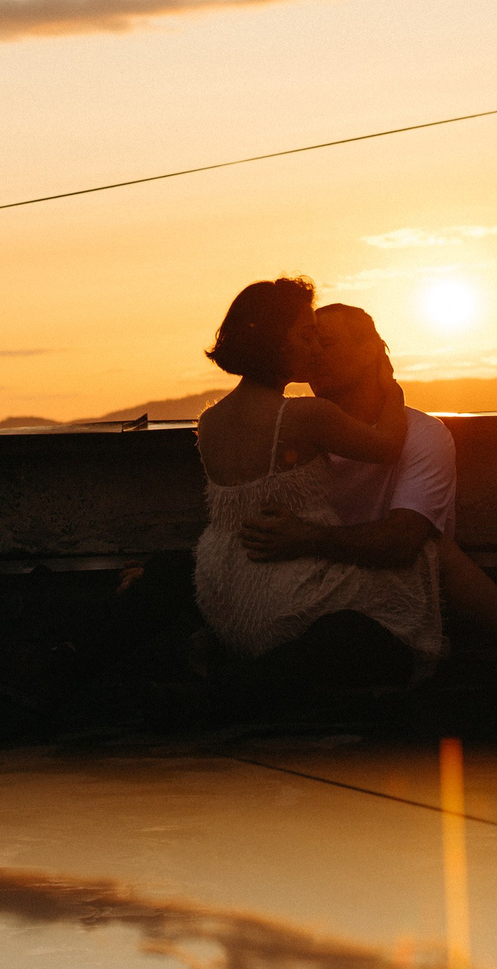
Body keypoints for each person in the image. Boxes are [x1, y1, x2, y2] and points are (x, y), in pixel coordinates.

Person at [238, 303, 497, 686]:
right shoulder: (294, 431)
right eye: (308, 343)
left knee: (428, 546)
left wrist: (307, 538)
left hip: (381, 588)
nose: (314, 353)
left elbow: (404, 540)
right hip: (305, 588)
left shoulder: (421, 434)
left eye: (327, 343)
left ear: (370, 350)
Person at [191, 277, 448, 690]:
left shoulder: (210, 420)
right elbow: (386, 446)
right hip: (283, 590)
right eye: (307, 335)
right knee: (420, 563)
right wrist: (392, 391)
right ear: (277, 340)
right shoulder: (305, 415)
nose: (314, 348)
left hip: (222, 587)